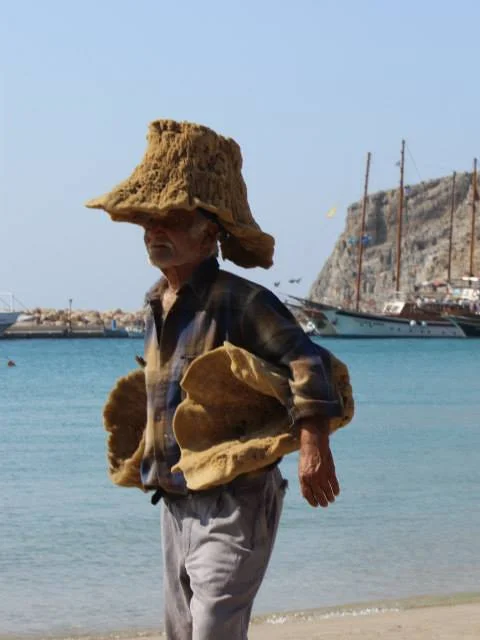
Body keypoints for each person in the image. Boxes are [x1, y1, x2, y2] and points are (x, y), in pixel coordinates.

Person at [87, 120, 349, 640]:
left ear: (209, 233)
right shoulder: (154, 303)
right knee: (182, 633)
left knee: (214, 628)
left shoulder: (241, 299)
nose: (155, 232)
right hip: (175, 501)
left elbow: (307, 362)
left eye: (171, 220)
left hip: (238, 496)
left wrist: (313, 443)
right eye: (148, 222)